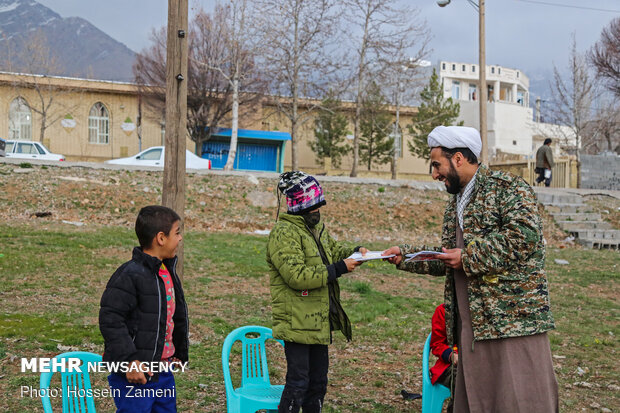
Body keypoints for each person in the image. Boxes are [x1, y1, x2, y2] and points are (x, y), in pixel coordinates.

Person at [384, 126, 558, 413]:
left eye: (437, 165)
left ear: (459, 159)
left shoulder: (508, 188)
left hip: (511, 318)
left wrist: (468, 257)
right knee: (478, 396)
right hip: (473, 323)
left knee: (520, 394)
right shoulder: (457, 201)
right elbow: (448, 255)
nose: (435, 174)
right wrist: (404, 256)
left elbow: (525, 237)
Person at [266, 171, 366, 413]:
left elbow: (332, 250)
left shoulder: (316, 228)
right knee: (297, 384)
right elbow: (297, 276)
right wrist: (340, 268)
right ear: (300, 205)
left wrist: (354, 252)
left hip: (318, 321)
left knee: (318, 384)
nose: (318, 211)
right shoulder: (284, 233)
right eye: (314, 206)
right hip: (297, 321)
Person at [99, 205, 189, 413]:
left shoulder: (166, 271)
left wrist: (177, 350)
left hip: (163, 371)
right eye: (177, 233)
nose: (180, 238)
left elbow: (173, 316)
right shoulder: (130, 274)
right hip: (135, 375)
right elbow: (111, 319)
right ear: (161, 238)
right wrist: (129, 361)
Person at [430, 304, 457, 413]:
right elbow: (437, 344)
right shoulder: (444, 310)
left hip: (481, 362)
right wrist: (451, 355)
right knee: (463, 379)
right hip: (450, 366)